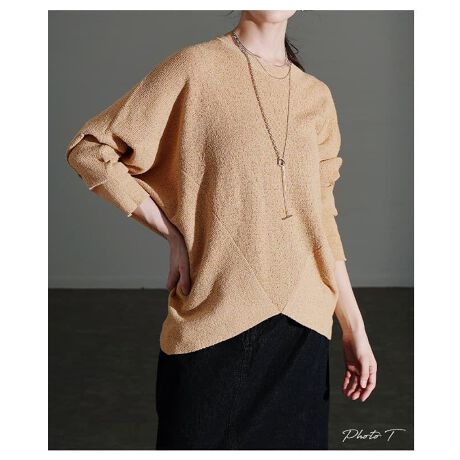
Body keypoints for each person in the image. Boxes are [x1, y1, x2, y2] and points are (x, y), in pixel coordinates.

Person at [66, 10, 377, 450]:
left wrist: (353, 327)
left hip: (303, 333)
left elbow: (322, 221)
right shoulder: (194, 68)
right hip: (214, 321)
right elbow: (91, 151)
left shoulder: (317, 97)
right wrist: (172, 232)